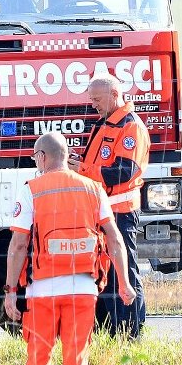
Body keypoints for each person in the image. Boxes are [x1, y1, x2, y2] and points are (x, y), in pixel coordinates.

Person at [3, 132, 135, 365]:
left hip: (43, 290)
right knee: (76, 356)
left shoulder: (31, 189)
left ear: (42, 157)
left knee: (39, 356)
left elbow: (18, 244)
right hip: (83, 289)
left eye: (34, 157)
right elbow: (114, 238)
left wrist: (11, 291)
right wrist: (124, 282)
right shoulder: (93, 188)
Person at [70, 74, 150, 337]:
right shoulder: (103, 124)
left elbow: (124, 172)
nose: (92, 104)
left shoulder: (131, 127)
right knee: (102, 272)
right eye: (91, 99)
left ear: (115, 94)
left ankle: (130, 333)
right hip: (99, 213)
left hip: (120, 213)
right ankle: (110, 332)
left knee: (123, 273)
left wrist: (82, 169)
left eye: (97, 99)